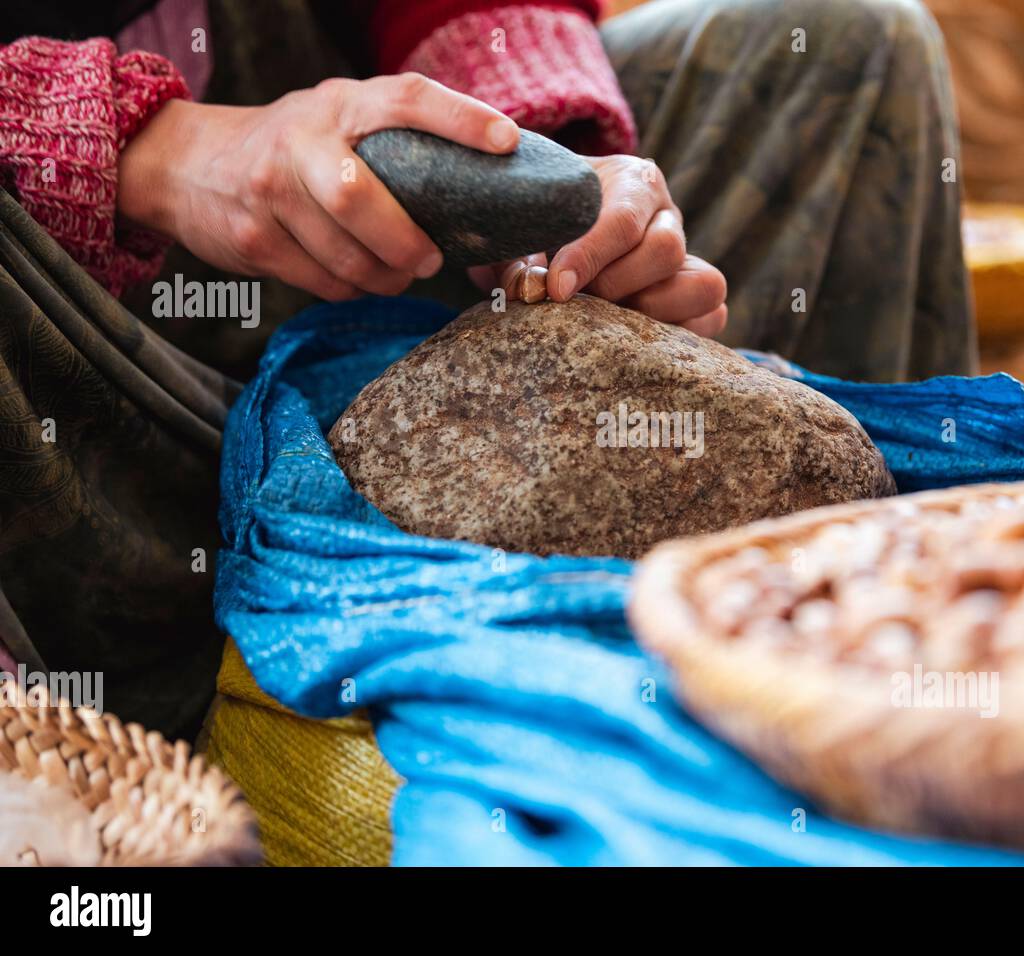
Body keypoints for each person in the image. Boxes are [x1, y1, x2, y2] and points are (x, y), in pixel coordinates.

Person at [0, 0, 973, 738]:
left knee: (846, 40)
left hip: (375, 276)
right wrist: (143, 149)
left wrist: (530, 170)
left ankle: (874, 683)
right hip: (55, 377)